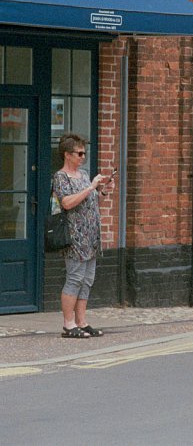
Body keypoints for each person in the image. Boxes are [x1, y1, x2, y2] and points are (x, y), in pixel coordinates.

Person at [53, 133, 113, 339]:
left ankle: (81, 321)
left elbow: (93, 203)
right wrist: (90, 188)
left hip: (91, 235)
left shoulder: (84, 174)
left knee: (87, 280)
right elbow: (67, 203)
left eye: (84, 153)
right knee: (75, 278)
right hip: (74, 236)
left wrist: (102, 192)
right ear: (67, 155)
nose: (82, 157)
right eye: (79, 154)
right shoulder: (61, 177)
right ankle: (68, 324)